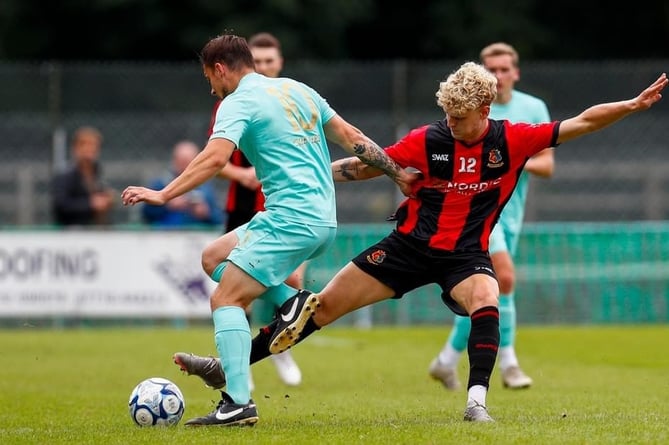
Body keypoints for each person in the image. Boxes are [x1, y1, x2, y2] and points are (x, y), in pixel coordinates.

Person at [178, 63, 667, 423]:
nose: (451, 124)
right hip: (406, 248)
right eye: (447, 116)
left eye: (460, 117)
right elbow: (365, 165)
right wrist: (313, 178)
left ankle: (476, 402)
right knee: (319, 308)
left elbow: (581, 122)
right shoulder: (428, 139)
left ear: (485, 109)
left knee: (487, 298)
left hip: (465, 255)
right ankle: (228, 370)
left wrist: (630, 105)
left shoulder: (514, 140)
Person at [121, 33, 413, 427]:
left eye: (210, 77)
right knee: (212, 257)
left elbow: (214, 159)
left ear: (220, 68)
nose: (211, 87)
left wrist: (163, 194)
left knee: (225, 299)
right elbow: (355, 139)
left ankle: (238, 403)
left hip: (289, 220)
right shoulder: (298, 91)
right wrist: (397, 174)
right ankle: (289, 302)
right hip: (320, 219)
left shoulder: (236, 101)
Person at [174, 32, 304, 388]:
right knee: (234, 285)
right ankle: (241, 368)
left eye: (268, 61)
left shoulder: (292, 99)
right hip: (246, 204)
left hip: (286, 206)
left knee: (288, 280)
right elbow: (214, 159)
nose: (263, 66)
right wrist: (244, 174)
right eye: (257, 61)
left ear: (278, 64)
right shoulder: (229, 100)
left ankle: (277, 348)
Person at [429, 42, 554, 391]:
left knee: (484, 294)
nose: (498, 76)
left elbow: (547, 164)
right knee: (505, 279)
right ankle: (510, 362)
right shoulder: (465, 111)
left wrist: (509, 156)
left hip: (510, 214)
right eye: (491, 70)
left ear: (515, 72)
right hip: (474, 213)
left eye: (504, 69)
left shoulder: (532, 108)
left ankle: (446, 360)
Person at [142, 140, 223, 228]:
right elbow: (146, 214)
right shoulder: (161, 185)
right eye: (182, 161)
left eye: (189, 161)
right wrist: (167, 206)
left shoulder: (205, 188)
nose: (185, 166)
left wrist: (206, 213)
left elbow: (219, 219)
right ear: (175, 160)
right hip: (164, 234)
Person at [51, 125, 115, 227]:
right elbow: (60, 205)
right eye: (85, 145)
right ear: (75, 148)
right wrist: (91, 204)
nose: (90, 149)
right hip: (71, 229)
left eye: (94, 145)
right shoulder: (65, 176)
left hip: (96, 227)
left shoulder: (98, 173)